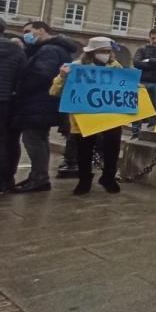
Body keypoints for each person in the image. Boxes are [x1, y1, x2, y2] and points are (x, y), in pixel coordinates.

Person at [50, 37, 125, 195]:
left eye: (108, 51)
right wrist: (62, 76)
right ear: (92, 52)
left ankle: (108, 177)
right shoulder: (76, 67)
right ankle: (84, 180)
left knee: (112, 146)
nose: (106, 54)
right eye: (103, 51)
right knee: (84, 149)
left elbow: (123, 86)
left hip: (109, 114)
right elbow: (55, 91)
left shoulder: (115, 66)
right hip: (83, 115)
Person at [11, 21, 77, 193]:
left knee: (32, 139)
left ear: (41, 30)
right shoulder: (52, 48)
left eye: (28, 31)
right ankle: (38, 176)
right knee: (39, 138)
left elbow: (41, 75)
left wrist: (19, 88)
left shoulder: (49, 50)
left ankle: (39, 177)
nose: (25, 34)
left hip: (39, 102)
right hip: (44, 102)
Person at [0, 19, 26, 193]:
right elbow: (22, 76)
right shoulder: (16, 49)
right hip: (8, 101)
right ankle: (6, 180)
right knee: (8, 140)